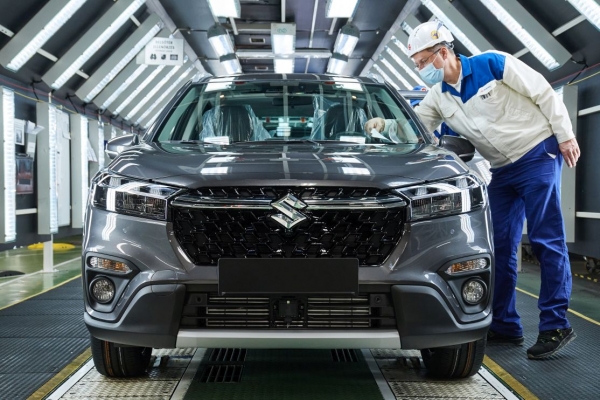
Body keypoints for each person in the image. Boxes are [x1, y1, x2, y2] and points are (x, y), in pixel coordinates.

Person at [366, 20, 580, 359]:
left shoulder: (492, 64)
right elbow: (417, 127)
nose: (421, 70)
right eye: (417, 64)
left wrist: (565, 136)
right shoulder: (439, 97)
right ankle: (505, 325)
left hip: (538, 153)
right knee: (499, 245)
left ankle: (555, 325)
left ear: (443, 52)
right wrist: (385, 126)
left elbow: (542, 91)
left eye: (423, 62)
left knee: (545, 239)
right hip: (502, 170)